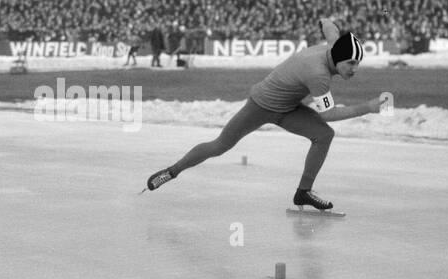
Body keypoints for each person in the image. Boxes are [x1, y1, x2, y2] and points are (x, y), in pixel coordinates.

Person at [145, 20, 383, 211]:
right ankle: (171, 171)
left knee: (324, 135)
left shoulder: (334, 47)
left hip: (288, 107)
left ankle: (303, 192)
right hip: (261, 105)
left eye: (357, 63)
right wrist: (368, 107)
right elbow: (329, 113)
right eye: (351, 63)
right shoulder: (318, 73)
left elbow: (330, 27)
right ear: (337, 57)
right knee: (220, 145)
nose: (354, 69)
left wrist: (324, 21)